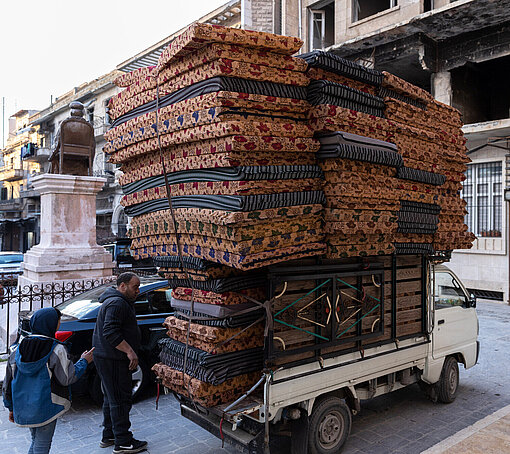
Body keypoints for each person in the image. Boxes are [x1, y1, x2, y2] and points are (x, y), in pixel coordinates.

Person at [2, 307, 94, 454]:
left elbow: (7, 383)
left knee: (36, 442)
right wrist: (84, 361)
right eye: (58, 321)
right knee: (42, 446)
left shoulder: (17, 349)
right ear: (50, 324)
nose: (59, 324)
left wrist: (10, 407)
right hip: (46, 406)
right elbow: (67, 378)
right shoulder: (56, 349)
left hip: (24, 406)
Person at [92, 272, 147, 454]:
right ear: (122, 286)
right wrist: (130, 351)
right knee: (120, 400)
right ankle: (123, 441)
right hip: (113, 359)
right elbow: (110, 332)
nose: (137, 291)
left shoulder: (116, 301)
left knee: (111, 397)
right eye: (134, 287)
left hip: (107, 357)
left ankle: (109, 435)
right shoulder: (117, 303)